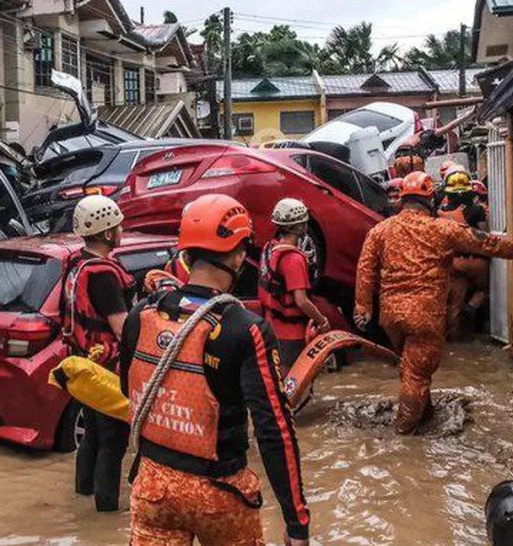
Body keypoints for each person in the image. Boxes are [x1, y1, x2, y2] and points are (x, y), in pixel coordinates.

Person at [121, 194, 310, 546]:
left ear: (186, 254)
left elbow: (126, 392)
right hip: (218, 493)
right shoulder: (245, 328)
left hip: (152, 487)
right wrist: (297, 521)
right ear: (239, 255)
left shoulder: (141, 317)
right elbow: (274, 430)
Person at [353, 172, 513, 434]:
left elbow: (365, 269)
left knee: (409, 368)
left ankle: (424, 416)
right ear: (430, 200)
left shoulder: (379, 231)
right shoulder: (443, 229)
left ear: (402, 200)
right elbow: (494, 245)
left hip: (391, 316)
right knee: (417, 375)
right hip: (425, 315)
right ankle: (404, 440)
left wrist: (363, 307)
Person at [63, 195, 136, 512]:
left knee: (92, 430)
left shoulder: (77, 262)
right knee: (113, 439)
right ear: (108, 233)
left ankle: (84, 492)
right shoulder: (104, 275)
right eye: (118, 227)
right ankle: (106, 512)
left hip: (85, 362)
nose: (122, 230)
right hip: (107, 367)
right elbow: (121, 328)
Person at [259, 198, 330, 374]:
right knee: (295, 382)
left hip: (270, 327)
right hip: (291, 334)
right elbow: (302, 301)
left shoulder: (270, 248)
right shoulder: (294, 259)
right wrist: (322, 321)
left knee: (280, 380)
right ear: (299, 227)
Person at [440, 171, 491, 338]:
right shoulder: (477, 210)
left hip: (454, 263)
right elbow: (483, 238)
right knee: (485, 290)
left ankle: (454, 337)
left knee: (454, 302)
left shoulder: (442, 212)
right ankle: (472, 306)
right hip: (476, 263)